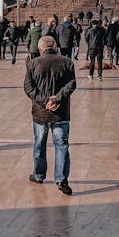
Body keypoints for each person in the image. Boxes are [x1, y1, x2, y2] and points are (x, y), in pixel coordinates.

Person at [24, 35, 76, 195]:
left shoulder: (33, 64)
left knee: (39, 144)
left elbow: (28, 88)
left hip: (41, 113)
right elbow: (72, 84)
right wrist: (56, 98)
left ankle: (39, 175)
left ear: (40, 48)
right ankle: (61, 179)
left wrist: (45, 101)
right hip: (60, 114)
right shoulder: (67, 62)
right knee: (61, 146)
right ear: (55, 46)